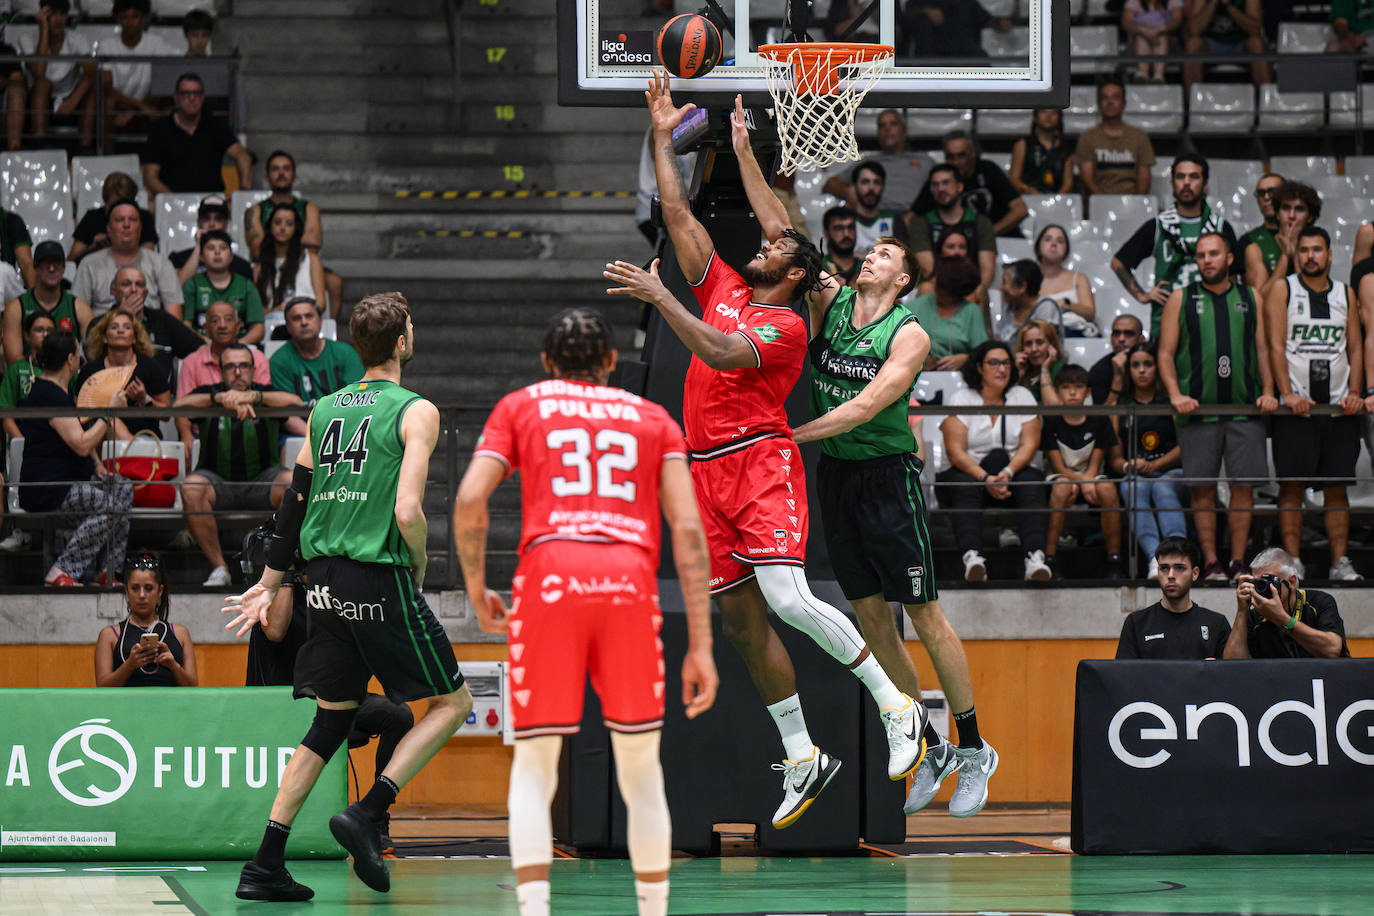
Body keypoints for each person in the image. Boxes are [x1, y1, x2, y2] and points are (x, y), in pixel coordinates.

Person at [609, 76, 927, 831]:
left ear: (792, 275)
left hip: (759, 461)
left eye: (780, 244)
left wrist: (662, 302)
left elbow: (720, 353)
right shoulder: (722, 282)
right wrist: (661, 136)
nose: (765, 240)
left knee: (788, 597)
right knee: (744, 624)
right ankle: (802, 755)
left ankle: (897, 705)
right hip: (704, 469)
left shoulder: (784, 328)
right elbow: (678, 212)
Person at [455, 308, 718, 916]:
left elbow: (469, 498)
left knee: (536, 762)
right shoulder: (653, 418)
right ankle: (652, 909)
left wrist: (477, 589)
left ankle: (535, 908)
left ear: (547, 361)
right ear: (610, 365)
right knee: (640, 767)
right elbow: (687, 530)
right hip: (627, 580)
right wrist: (701, 643)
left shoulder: (522, 405)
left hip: (548, 577)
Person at [223, 292, 474, 901]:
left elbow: (295, 501)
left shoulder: (325, 408)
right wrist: (416, 565)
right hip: (374, 574)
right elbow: (409, 508)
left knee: (331, 720)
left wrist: (272, 580)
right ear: (403, 342)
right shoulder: (415, 411)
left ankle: (265, 863)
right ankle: (368, 812)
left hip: (321, 584)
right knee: (452, 704)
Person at [782, 232, 1000, 820]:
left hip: (888, 480)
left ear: (903, 279)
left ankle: (975, 747)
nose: (872, 255)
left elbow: (862, 407)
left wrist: (785, 437)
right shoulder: (830, 301)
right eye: (870, 249)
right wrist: (751, 157)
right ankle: (929, 744)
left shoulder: (910, 335)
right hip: (839, 477)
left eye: (886, 253)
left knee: (924, 614)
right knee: (874, 621)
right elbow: (790, 234)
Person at [239, 524, 414, 853]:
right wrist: (285, 574)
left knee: (398, 715)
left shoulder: (327, 588)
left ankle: (374, 816)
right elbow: (275, 630)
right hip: (281, 702)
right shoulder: (270, 591)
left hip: (326, 697)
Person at [1158, 232, 1277, 584]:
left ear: (1228, 259)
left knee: (1243, 488)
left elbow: (1263, 350)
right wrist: (1175, 394)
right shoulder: (1182, 297)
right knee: (1202, 489)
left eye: (1214, 254)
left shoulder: (1249, 295)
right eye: (1201, 254)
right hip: (1196, 410)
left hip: (1245, 408)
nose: (1207, 259)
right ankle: (1210, 562)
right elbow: (1164, 352)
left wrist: (1269, 390)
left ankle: (1239, 562)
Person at [1262, 226, 1365, 582]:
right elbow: (1275, 345)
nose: (1310, 256)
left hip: (1338, 408)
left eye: (1317, 249)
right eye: (1304, 249)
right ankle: (1292, 563)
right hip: (1296, 408)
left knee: (1336, 488)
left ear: (1329, 255)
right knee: (1291, 486)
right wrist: (1286, 392)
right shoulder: (1283, 288)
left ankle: (1340, 562)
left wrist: (1355, 390)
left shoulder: (1345, 292)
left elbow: (1355, 346)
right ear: (1297, 254)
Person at [177, 343, 301, 587]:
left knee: (291, 483)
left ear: (253, 370)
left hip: (262, 481)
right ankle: (219, 569)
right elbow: (178, 406)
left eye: (244, 366)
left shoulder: (265, 394)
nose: (237, 372)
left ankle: (280, 567)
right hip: (217, 481)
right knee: (191, 487)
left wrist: (253, 397)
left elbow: (295, 401)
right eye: (230, 367)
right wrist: (218, 398)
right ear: (221, 371)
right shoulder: (210, 394)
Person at [17, 332, 134, 587]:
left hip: (71, 480)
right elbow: (81, 444)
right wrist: (110, 412)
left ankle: (107, 571)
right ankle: (61, 571)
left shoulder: (58, 391)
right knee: (110, 505)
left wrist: (97, 463)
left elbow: (76, 437)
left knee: (123, 488)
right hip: (49, 488)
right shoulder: (48, 394)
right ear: (71, 359)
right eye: (77, 355)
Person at [937, 339, 1052, 581]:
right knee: (963, 484)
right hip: (969, 474)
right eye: (994, 363)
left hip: (1011, 474)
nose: (1002, 369)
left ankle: (1035, 559)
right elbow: (955, 451)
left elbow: (1030, 444)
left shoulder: (1021, 395)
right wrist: (985, 478)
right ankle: (972, 558)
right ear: (979, 367)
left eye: (1006, 363)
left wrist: (1007, 473)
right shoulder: (961, 398)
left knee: (1031, 480)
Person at [1112, 153, 1238, 337]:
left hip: (1212, 321)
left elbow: (1234, 275)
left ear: (1205, 184)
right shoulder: (1158, 225)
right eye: (1180, 177)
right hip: (1166, 324)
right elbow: (1118, 262)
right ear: (1172, 183)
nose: (1186, 183)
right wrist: (1142, 295)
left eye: (1193, 176)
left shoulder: (1220, 227)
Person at [1105, 341, 1185, 575]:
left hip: (1172, 471)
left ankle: (1178, 557)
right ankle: (1154, 558)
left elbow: (1185, 448)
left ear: (1157, 367)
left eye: (1148, 364)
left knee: (1162, 487)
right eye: (1135, 365)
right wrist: (1130, 465)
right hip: (1137, 474)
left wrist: (1154, 465)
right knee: (1132, 488)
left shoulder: (1170, 401)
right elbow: (1115, 459)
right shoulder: (1122, 406)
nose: (1141, 370)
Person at [1041, 363, 1124, 579]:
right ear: (1058, 391)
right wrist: (1078, 482)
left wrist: (1086, 481)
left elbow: (1096, 463)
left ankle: (1114, 560)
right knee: (1061, 489)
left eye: (1078, 387)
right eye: (1066, 387)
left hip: (1091, 474)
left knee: (1107, 489)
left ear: (1087, 392)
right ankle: (1050, 558)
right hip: (1061, 476)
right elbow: (1057, 466)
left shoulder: (1098, 419)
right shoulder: (1051, 421)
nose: (1072, 392)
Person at [246, 151, 342, 318]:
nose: (281, 173)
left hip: (300, 260)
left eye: (286, 169)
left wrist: (277, 237)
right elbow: (257, 250)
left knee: (334, 281)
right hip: (269, 263)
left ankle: (327, 328)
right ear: (267, 177)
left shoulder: (308, 207)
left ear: (294, 176)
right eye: (276, 169)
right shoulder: (255, 210)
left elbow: (315, 243)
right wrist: (297, 236)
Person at [1223, 548, 1349, 658]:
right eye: (1257, 582)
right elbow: (1232, 665)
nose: (1262, 587)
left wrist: (1281, 619)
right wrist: (1242, 610)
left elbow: (1332, 650)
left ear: (1292, 582)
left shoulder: (1318, 602)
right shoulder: (1255, 616)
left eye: (1268, 580)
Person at [1116, 537, 1230, 658]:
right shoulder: (1136, 623)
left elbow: (1235, 673)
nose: (1170, 575)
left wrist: (1216, 671)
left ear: (1195, 573)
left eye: (1179, 568)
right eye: (1164, 568)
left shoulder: (1217, 624)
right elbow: (1122, 675)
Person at [94, 553, 198, 687]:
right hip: (126, 707)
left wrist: (174, 666)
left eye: (148, 588)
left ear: (159, 591)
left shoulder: (180, 633)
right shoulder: (109, 635)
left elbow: (194, 688)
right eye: (135, 588)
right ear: (127, 590)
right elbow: (102, 688)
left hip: (171, 707)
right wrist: (130, 665)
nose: (142, 595)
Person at [141, 72, 251, 195]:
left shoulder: (216, 125)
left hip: (212, 204)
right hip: (173, 203)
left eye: (196, 93)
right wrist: (173, 200)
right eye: (185, 93)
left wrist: (243, 194)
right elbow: (150, 177)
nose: (192, 98)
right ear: (176, 97)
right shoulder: (160, 130)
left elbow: (243, 156)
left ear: (203, 97)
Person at [73, 200, 184, 318]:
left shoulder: (161, 263)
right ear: (109, 229)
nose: (126, 225)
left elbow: (174, 317)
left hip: (150, 330)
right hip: (104, 331)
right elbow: (78, 312)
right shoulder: (89, 264)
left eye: (132, 220)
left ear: (140, 228)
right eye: (120, 220)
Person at [906, 164, 997, 305]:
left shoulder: (980, 222)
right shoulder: (921, 223)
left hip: (971, 288)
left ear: (960, 187)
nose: (941, 189)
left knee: (978, 292)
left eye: (946, 183)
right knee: (926, 289)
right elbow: (929, 271)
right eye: (935, 185)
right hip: (936, 287)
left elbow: (987, 272)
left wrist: (974, 290)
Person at [909, 130, 1027, 238]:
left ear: (972, 153)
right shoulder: (939, 179)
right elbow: (910, 218)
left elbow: (1020, 210)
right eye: (950, 157)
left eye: (961, 156)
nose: (955, 162)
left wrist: (987, 236)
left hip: (1000, 240)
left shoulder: (988, 170)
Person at [74, 309, 171, 439]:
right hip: (102, 440)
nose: (120, 331)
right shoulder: (91, 370)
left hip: (144, 438)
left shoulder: (149, 366)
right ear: (104, 337)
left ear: (134, 338)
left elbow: (166, 414)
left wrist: (145, 399)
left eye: (127, 327)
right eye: (114, 327)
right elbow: (79, 412)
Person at [109, 266, 203, 393]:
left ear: (146, 293)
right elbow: (92, 355)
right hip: (112, 397)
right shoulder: (102, 323)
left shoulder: (163, 321)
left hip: (159, 401)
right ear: (114, 291)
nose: (133, 290)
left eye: (139, 285)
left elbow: (199, 349)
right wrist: (124, 317)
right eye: (126, 284)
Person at [16, 0, 97, 150]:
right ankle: (40, 146)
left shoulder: (77, 39)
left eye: (62, 14)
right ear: (43, 16)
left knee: (91, 91)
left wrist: (72, 101)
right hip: (37, 96)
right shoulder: (26, 39)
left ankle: (85, 150)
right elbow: (38, 72)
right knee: (42, 84)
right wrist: (44, 30)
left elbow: (92, 71)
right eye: (52, 14)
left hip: (69, 95)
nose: (58, 19)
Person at [822, 109, 935, 213]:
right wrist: (847, 191)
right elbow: (830, 185)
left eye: (893, 124)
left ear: (904, 131)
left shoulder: (925, 161)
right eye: (882, 126)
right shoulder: (868, 163)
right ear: (878, 133)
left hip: (916, 219)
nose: (887, 129)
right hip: (877, 218)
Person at [269, 296, 364, 417]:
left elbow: (359, 400)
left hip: (343, 426)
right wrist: (311, 435)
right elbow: (288, 415)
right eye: (296, 318)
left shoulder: (345, 353)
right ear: (288, 326)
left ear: (320, 321)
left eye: (309, 316)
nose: (304, 322)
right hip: (299, 431)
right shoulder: (279, 361)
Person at [1, 241, 92, 365]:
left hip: (67, 379)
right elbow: (14, 359)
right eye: (46, 263)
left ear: (64, 268)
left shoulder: (80, 309)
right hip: (30, 378)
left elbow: (92, 355)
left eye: (57, 263)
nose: (51, 268)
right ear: (35, 267)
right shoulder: (16, 308)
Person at [1074, 78, 1156, 197]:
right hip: (1098, 205)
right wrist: (1106, 203)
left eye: (1115, 97)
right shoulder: (1086, 138)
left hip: (1132, 203)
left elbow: (1144, 177)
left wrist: (1137, 203)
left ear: (1124, 103)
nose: (1110, 102)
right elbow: (1087, 180)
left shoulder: (1140, 137)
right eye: (1104, 98)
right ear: (1099, 104)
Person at [176, 300, 271, 402]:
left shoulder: (258, 359)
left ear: (238, 325)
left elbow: (267, 401)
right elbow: (182, 412)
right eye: (215, 320)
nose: (222, 325)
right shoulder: (191, 362)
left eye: (228, 319)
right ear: (206, 328)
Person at [99, 0, 176, 124]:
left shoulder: (156, 43)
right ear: (117, 19)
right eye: (124, 17)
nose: (130, 23)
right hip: (120, 104)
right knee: (108, 101)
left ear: (144, 18)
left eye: (135, 17)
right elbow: (106, 87)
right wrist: (138, 106)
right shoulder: (106, 45)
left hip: (149, 103)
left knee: (167, 103)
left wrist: (136, 110)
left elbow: (163, 81)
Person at [906, 255, 987, 370]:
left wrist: (966, 359)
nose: (937, 289)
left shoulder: (972, 312)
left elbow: (984, 354)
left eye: (944, 289)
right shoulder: (917, 306)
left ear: (957, 292)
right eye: (938, 285)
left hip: (960, 377)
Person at [181, 229, 264, 338]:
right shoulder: (192, 285)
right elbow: (186, 326)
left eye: (223, 248)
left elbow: (258, 328)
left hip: (239, 348)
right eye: (211, 248)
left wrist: (239, 345)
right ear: (201, 256)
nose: (217, 252)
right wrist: (207, 345)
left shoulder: (246, 285)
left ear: (231, 257)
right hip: (201, 348)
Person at [69, 172, 157, 264]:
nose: (120, 212)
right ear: (105, 201)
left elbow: (148, 258)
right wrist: (93, 246)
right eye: (114, 206)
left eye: (124, 205)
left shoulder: (144, 218)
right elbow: (70, 263)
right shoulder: (92, 218)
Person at [1252, 181, 1321, 298]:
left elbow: (1312, 297)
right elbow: (1260, 298)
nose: (1291, 216)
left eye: (1299, 209)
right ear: (1277, 214)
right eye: (1286, 208)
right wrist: (1285, 255)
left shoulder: (1318, 246)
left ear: (1310, 217)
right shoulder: (1256, 247)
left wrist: (1294, 254)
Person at [1183, 0, 1271, 88]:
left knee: (1256, 44)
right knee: (1193, 44)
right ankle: (1192, 100)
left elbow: (1255, 31)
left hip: (1241, 45)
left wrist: (1229, 5)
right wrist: (1214, 2)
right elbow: (1194, 30)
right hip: (1210, 45)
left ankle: (1266, 98)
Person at [255, 203, 324, 313]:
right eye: (278, 222)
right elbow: (255, 310)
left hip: (305, 321)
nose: (282, 228)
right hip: (272, 324)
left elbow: (321, 303)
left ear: (296, 228)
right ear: (270, 226)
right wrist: (275, 311)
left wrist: (296, 312)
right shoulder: (260, 267)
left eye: (289, 224)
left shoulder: (311, 260)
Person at [171, 196, 254, 284]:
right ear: (198, 222)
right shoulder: (178, 259)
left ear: (226, 224)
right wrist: (199, 246)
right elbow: (177, 291)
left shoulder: (242, 267)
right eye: (206, 219)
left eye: (218, 219)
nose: (212, 224)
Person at [0, 311, 55, 442]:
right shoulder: (17, 369)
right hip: (23, 441)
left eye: (50, 330)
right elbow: (6, 414)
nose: (45, 334)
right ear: (27, 336)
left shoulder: (63, 369)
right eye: (39, 330)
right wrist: (22, 442)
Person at [1034, 224, 1097, 336]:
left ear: (1066, 249)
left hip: (1073, 334)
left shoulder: (1079, 278)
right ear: (1038, 247)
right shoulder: (1028, 280)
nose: (1053, 244)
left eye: (1060, 241)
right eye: (1048, 239)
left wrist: (1067, 305)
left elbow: (1090, 314)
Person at [995, 259, 1062, 345]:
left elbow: (1043, 348)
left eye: (1004, 282)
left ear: (1022, 287)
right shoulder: (1009, 307)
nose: (1001, 288)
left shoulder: (1046, 307)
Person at [1009, 109, 1074, 195]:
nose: (1048, 116)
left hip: (1057, 201)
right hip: (1027, 199)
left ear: (1059, 118)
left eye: (1054, 112)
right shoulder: (1022, 145)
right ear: (1035, 117)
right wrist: (1028, 191)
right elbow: (1014, 179)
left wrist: (1057, 199)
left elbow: (1068, 184)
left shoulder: (1065, 148)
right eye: (1043, 111)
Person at [1239, 173, 1285, 291]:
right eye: (1261, 193)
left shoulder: (1305, 237)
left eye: (1272, 191)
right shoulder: (1247, 241)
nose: (1266, 197)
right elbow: (1258, 298)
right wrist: (1287, 256)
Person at [1123, 0, 1184, 83]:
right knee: (1141, 39)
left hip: (1166, 42)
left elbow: (1177, 20)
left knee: (1162, 38)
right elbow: (1127, 22)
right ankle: (1142, 74)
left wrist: (1159, 29)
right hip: (1140, 39)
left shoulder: (1173, 1)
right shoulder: (1134, 1)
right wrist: (1144, 31)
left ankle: (1158, 76)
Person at [1089, 313, 1144, 405]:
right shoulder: (1099, 370)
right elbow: (1102, 416)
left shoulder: (1154, 364)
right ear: (1111, 338)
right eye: (1116, 334)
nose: (1121, 339)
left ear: (1141, 339)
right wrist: (1117, 377)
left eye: (1129, 334)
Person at [1013, 318, 1064, 405]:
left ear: (1051, 344)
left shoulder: (1061, 370)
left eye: (1040, 342)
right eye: (1028, 344)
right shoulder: (1020, 369)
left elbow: (1052, 410)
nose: (1034, 349)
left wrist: (1045, 369)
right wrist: (1017, 375)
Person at [820, 206, 860, 286]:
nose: (846, 234)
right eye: (839, 228)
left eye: (850, 227)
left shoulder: (866, 267)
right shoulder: (818, 267)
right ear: (826, 233)